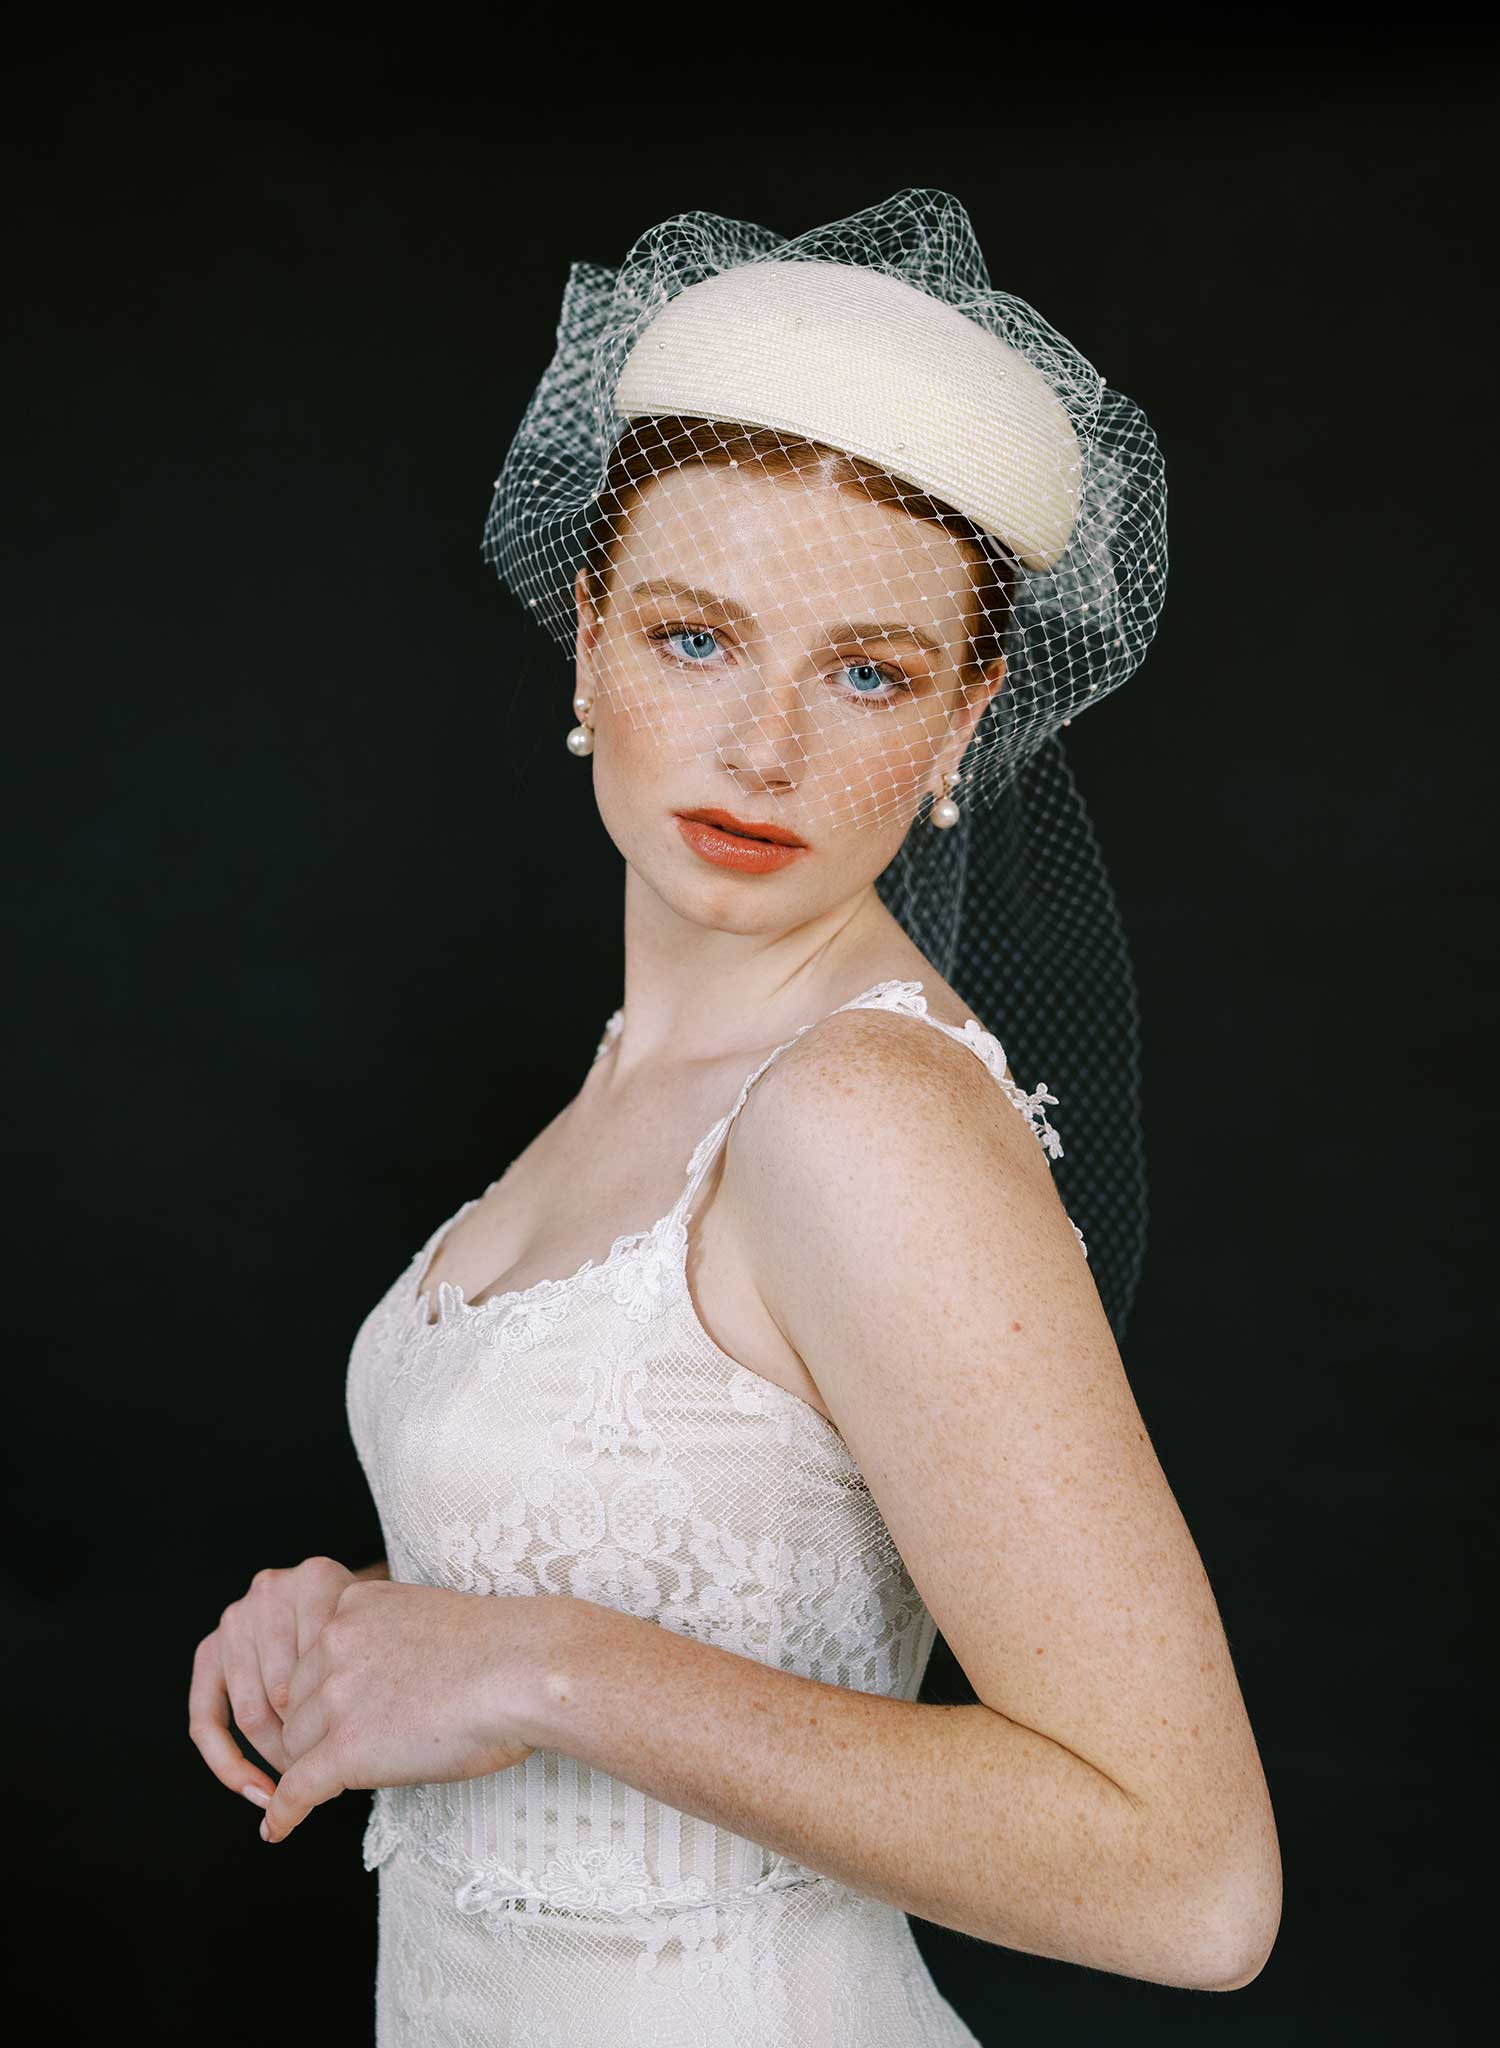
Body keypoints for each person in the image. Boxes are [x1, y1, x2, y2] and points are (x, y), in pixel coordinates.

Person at [189, 191, 1280, 2043]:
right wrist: (365, 1627)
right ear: (591, 633)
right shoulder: (647, 1071)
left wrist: (529, 1658)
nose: (766, 748)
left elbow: (1189, 1884)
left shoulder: (861, 1110)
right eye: (700, 638)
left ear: (964, 723)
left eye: (869, 671)